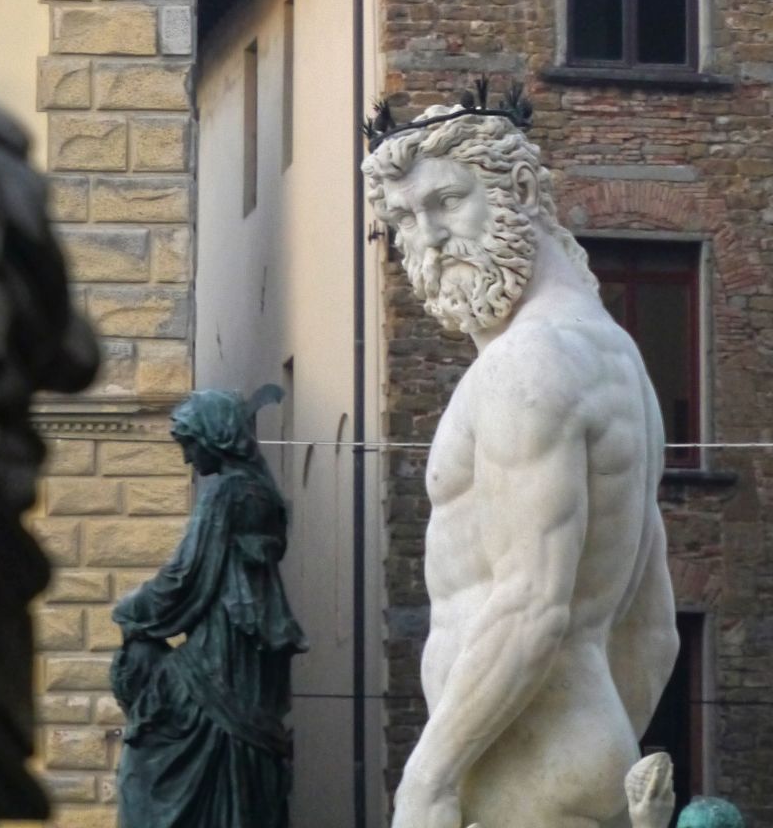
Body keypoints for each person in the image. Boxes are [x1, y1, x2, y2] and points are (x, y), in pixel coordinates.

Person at [364, 94, 679, 828]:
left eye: (447, 200)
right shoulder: (615, 357)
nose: (430, 238)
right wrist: (600, 741)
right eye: (406, 218)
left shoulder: (525, 367)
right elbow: (652, 626)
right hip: (562, 756)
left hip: (513, 770)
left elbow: (532, 603)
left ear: (525, 194)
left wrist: (429, 780)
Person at [110, 389, 307, 828]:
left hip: (223, 655)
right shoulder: (261, 494)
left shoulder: (228, 495)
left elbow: (186, 575)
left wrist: (129, 611)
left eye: (188, 445)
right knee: (231, 755)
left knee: (147, 762)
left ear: (212, 437)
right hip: (247, 651)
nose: (186, 459)